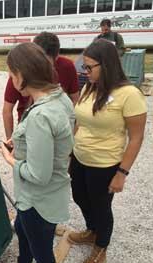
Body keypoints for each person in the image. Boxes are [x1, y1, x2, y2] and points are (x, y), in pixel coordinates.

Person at [67, 39, 147, 263]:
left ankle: (101, 245)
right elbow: (80, 121)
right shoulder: (89, 86)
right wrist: (70, 151)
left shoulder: (129, 94)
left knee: (101, 206)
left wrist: (122, 173)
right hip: (80, 156)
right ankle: (92, 230)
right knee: (79, 196)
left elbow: (137, 137)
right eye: (85, 66)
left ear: (107, 65)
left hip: (104, 163)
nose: (85, 71)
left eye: (90, 67)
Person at [0, 42, 74, 263]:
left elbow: (39, 176)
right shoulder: (59, 97)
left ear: (21, 74)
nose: (12, 80)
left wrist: (10, 159)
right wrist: (21, 139)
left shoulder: (40, 115)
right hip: (49, 195)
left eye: (12, 74)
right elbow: (53, 139)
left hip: (37, 200)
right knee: (23, 231)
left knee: (42, 253)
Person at [3, 32, 79, 139]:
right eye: (37, 60)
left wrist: (69, 130)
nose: (40, 66)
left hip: (56, 129)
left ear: (56, 56)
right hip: (27, 128)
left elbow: (75, 100)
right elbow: (7, 110)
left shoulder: (67, 67)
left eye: (45, 62)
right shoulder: (21, 71)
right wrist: (10, 140)